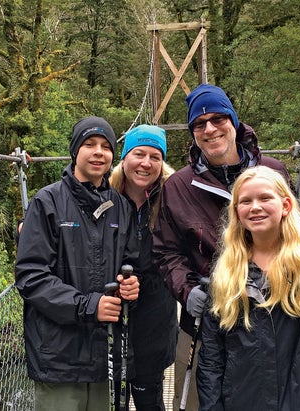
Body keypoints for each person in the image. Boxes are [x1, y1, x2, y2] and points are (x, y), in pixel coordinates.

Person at [152, 83, 292, 410]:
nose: (210, 129)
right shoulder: (179, 186)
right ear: (192, 133)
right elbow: (165, 252)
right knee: (195, 402)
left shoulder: (273, 172)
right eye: (199, 124)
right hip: (206, 317)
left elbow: (294, 234)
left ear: (234, 121)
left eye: (218, 119)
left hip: (270, 314)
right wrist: (188, 292)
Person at [196, 165, 300, 410]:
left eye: (265, 198)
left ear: (285, 205)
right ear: (237, 212)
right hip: (240, 400)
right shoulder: (226, 269)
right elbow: (211, 352)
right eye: (245, 201)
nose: (255, 207)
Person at [15, 116, 141, 411]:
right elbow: (30, 276)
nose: (98, 152)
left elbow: (131, 263)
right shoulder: (47, 201)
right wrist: (88, 306)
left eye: (106, 146)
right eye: (89, 144)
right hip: (58, 356)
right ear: (75, 151)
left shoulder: (121, 207)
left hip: (103, 353)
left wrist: (132, 287)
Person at [109, 124, 177, 411]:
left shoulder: (174, 197)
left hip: (156, 315)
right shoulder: (103, 197)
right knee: (114, 398)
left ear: (162, 163)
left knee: (149, 394)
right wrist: (27, 225)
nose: (146, 163)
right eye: (138, 153)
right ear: (124, 158)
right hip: (112, 313)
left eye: (155, 156)